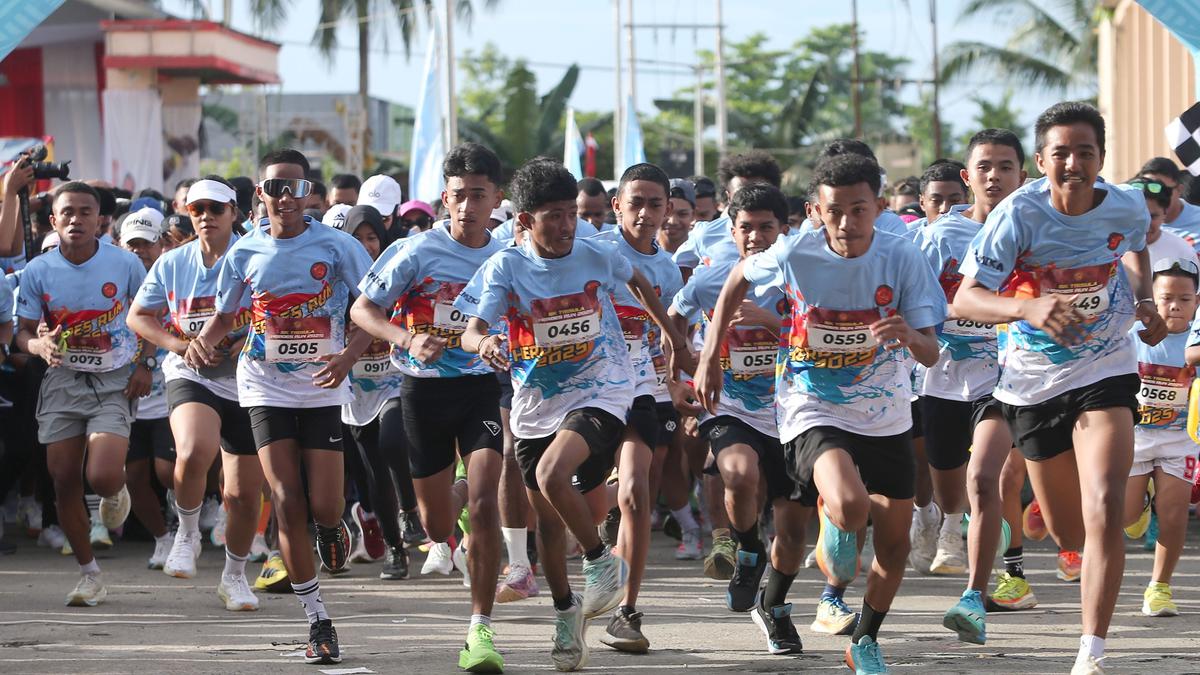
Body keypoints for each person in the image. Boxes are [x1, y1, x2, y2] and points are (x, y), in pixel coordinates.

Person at [694, 152, 946, 674]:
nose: (847, 224)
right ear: (815, 210)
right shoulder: (795, 252)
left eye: (859, 210)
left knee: (895, 546)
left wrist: (908, 336)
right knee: (851, 507)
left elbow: (932, 351)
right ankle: (834, 530)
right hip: (813, 406)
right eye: (835, 212)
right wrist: (708, 357)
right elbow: (738, 276)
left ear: (878, 206)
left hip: (886, 412)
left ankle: (866, 640)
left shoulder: (902, 257)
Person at [954, 102, 1167, 675]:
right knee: (1071, 530)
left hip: (1106, 364)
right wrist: (1028, 307)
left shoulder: (1122, 202)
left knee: (1103, 504)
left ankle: (1091, 650)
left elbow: (1134, 246)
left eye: (1086, 153)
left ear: (1103, 157)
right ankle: (1087, 533)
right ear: (1042, 160)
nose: (1074, 164)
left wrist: (1143, 300)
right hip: (1032, 381)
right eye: (1061, 154)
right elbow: (966, 298)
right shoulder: (1016, 217)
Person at [456, 157, 685, 672]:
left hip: (603, 387)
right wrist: (486, 341)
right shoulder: (506, 266)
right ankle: (566, 613)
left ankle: (601, 562)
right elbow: (470, 329)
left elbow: (641, 285)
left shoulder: (593, 254)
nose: (564, 227)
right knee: (548, 523)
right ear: (524, 222)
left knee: (549, 473)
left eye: (569, 215)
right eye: (551, 217)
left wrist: (674, 340)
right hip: (536, 401)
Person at [187, 149, 373, 664]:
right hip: (264, 383)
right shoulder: (244, 252)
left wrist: (347, 358)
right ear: (261, 195)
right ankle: (318, 620)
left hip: (321, 383)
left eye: (295, 187)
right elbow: (224, 317)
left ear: (309, 192)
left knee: (325, 506)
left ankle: (336, 525)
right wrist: (201, 341)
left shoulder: (337, 247)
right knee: (287, 498)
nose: (285, 197)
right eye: (275, 188)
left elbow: (373, 309)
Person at [351, 143, 509, 673]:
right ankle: (452, 499)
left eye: (478, 196)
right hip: (422, 390)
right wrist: (404, 337)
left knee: (486, 505)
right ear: (445, 198)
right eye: (458, 196)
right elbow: (363, 309)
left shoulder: (509, 252)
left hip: (483, 387)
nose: (467, 206)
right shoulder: (415, 251)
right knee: (437, 519)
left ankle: (479, 630)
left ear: (497, 199)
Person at [670, 184, 811, 656]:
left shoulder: (802, 279)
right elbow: (673, 316)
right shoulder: (712, 280)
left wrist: (769, 323)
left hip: (794, 412)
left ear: (784, 230)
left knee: (792, 536)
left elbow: (825, 334)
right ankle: (748, 549)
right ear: (731, 232)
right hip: (730, 407)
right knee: (737, 471)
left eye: (765, 227)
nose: (754, 237)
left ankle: (775, 607)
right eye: (745, 228)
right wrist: (683, 370)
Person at [910, 129, 1031, 643]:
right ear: (968, 177)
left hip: (1004, 375)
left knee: (986, 478)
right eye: (984, 167)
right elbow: (917, 301)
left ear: (1023, 176)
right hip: (941, 374)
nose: (994, 176)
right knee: (948, 482)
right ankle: (945, 521)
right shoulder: (940, 237)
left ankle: (974, 596)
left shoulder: (1035, 229)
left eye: (1005, 167)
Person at [127, 176, 265, 611]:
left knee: (243, 495)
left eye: (216, 209)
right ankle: (186, 534)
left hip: (248, 378)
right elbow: (139, 316)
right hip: (192, 373)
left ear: (235, 214)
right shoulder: (172, 263)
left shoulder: (257, 257)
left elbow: (280, 312)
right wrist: (180, 346)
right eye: (197, 209)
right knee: (192, 448)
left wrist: (249, 340)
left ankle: (234, 576)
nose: (206, 217)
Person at [15, 181, 149, 606]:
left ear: (100, 221)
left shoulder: (126, 264)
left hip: (114, 379)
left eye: (85, 212)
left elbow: (148, 316)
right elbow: (22, 332)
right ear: (53, 221)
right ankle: (89, 575)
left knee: (103, 475)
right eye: (67, 212)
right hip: (62, 381)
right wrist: (39, 346)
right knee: (63, 477)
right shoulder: (39, 270)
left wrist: (145, 364)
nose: (76, 219)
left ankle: (115, 491)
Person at [590, 162, 687, 654]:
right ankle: (590, 563)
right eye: (636, 203)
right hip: (584, 393)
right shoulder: (594, 251)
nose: (646, 214)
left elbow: (670, 338)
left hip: (641, 391)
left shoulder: (667, 270)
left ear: (668, 209)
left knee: (636, 493)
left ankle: (627, 612)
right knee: (578, 499)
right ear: (617, 207)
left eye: (655, 204)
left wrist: (676, 380)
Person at [338, 205, 414, 581]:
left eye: (372, 238)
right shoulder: (336, 282)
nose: (366, 246)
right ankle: (395, 549)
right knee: (373, 477)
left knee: (392, 440)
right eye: (358, 239)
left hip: (394, 380)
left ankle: (411, 511)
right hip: (353, 390)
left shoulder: (398, 275)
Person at [1123, 258, 1198, 618]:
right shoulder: (1131, 333)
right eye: (1167, 297)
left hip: (1180, 439)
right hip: (1135, 435)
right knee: (1121, 517)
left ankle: (1160, 587)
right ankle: (1138, 508)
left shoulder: (1197, 339)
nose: (1175, 306)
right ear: (1152, 298)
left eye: (1184, 298)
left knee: (1173, 515)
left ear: (1196, 301)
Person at [118, 209, 176, 571]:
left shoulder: (172, 275)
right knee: (132, 476)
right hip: (123, 394)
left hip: (168, 391)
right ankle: (162, 537)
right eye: (132, 244)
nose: (140, 251)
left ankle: (182, 517)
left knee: (169, 472)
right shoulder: (113, 277)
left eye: (147, 244)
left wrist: (149, 363)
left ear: (162, 244)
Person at [1131, 177, 1199, 266]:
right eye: (1139, 216)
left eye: (1153, 216)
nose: (1145, 224)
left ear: (1164, 214)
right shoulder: (1112, 247)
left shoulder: (1183, 251)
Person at [1139, 157, 1200, 249]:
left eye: (1162, 190)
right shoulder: (1134, 222)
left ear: (1179, 190)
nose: (1155, 195)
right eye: (1148, 187)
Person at [660, 178, 695, 253]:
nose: (673, 221)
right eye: (666, 212)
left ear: (693, 215)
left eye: (682, 214)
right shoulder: (639, 252)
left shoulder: (702, 256)